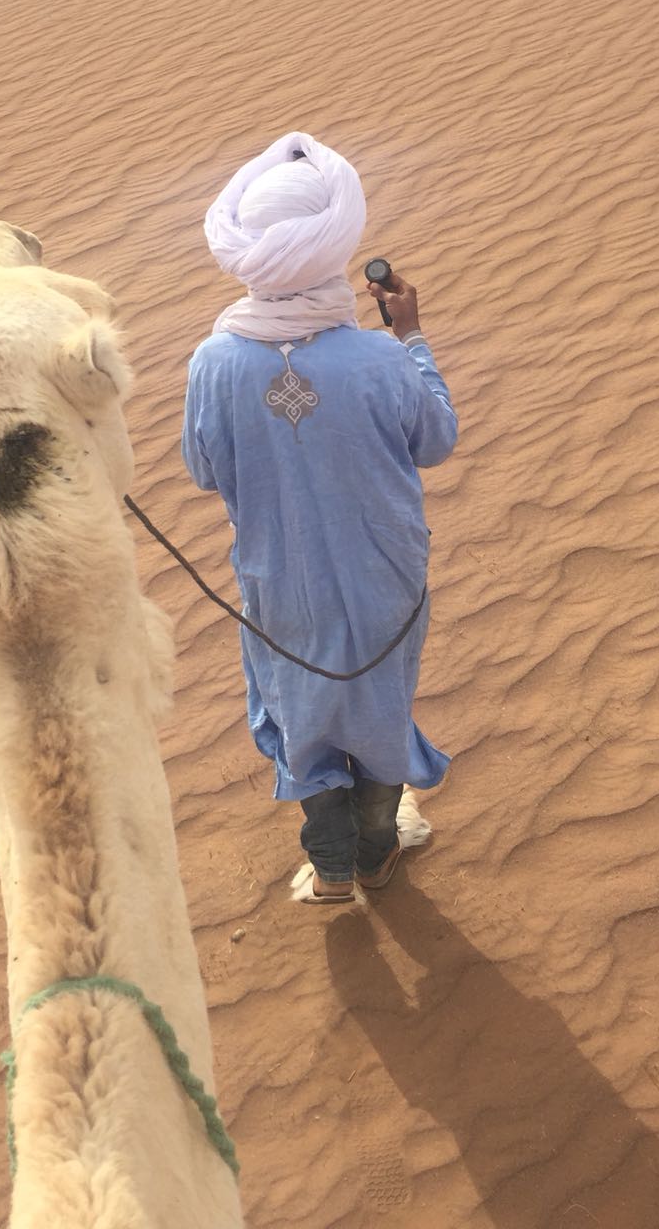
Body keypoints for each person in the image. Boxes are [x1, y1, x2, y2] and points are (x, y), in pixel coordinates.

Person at [181, 132, 458, 903]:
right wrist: (410, 335)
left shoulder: (214, 362)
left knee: (299, 708)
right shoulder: (379, 359)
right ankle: (375, 851)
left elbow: (204, 469)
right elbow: (436, 439)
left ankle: (331, 868)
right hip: (385, 576)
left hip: (280, 584)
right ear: (333, 246)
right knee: (377, 702)